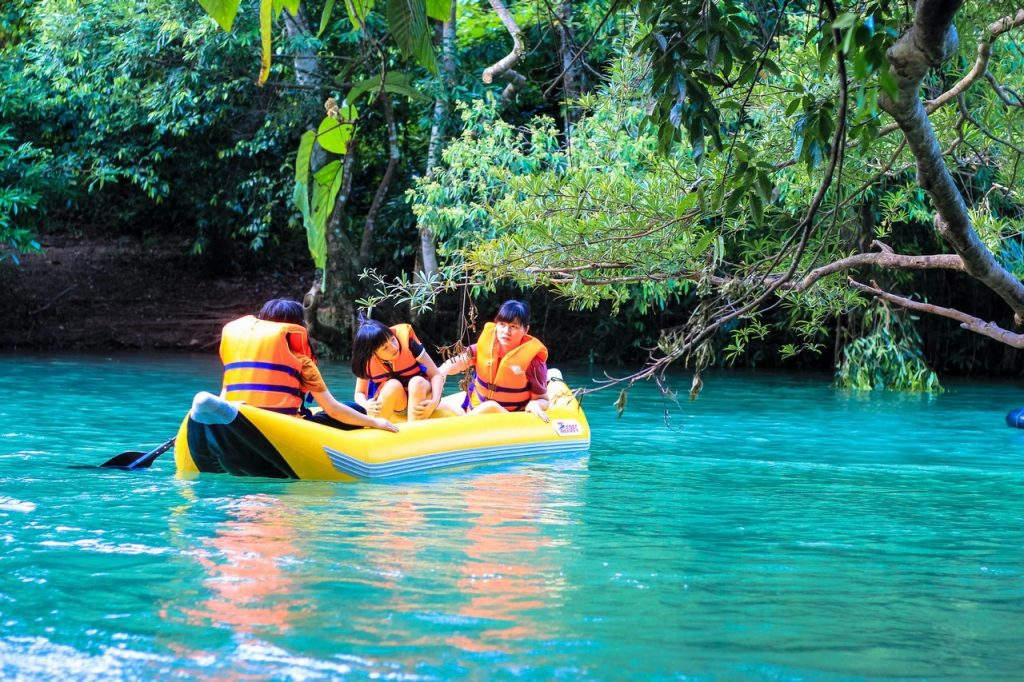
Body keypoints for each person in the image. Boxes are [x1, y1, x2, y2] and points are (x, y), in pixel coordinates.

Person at [220, 299, 398, 432]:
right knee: (354, 408)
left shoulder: (238, 357)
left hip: (243, 421)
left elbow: (223, 399)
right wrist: (376, 422)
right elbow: (333, 409)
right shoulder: (302, 363)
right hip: (288, 429)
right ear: (296, 326)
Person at [438, 300, 550, 421]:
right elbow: (458, 362)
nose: (506, 332)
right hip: (475, 410)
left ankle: (461, 422)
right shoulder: (484, 347)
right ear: (496, 324)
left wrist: (536, 404)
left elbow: (543, 399)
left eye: (513, 326)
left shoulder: (533, 362)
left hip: (508, 418)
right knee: (432, 399)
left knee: (490, 407)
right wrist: (442, 372)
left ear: (526, 330)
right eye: (502, 324)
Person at [351, 314, 445, 422]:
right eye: (385, 347)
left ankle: (413, 431)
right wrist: (365, 404)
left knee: (416, 382)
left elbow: (436, 374)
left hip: (425, 395)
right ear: (373, 353)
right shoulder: (367, 362)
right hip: (399, 404)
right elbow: (359, 393)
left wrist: (434, 401)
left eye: (392, 339)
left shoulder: (410, 344)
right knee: (392, 385)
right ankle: (377, 432)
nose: (393, 347)